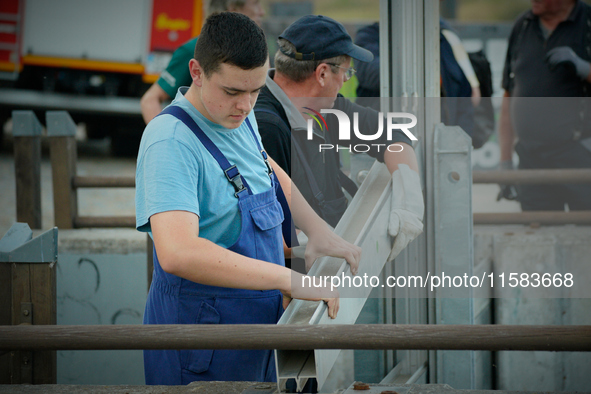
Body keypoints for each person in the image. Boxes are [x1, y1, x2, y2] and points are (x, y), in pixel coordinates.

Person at [135, 12, 361, 385]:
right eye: (232, 92)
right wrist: (288, 279)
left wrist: (317, 230)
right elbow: (178, 253)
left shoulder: (241, 116)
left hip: (255, 333)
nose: (245, 104)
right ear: (196, 71)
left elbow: (267, 167)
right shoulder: (170, 141)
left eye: (255, 90)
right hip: (202, 344)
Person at [254, 15, 424, 270]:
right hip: (292, 289)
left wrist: (408, 199)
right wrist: (317, 240)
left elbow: (393, 136)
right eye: (346, 71)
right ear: (322, 73)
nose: (346, 80)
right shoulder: (265, 127)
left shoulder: (324, 107)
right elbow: (259, 232)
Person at [498, 0, 591, 210]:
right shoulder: (523, 25)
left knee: (586, 236)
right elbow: (509, 95)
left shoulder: (587, 22)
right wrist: (505, 163)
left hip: (581, 155)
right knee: (537, 232)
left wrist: (584, 68)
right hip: (531, 158)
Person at [140, 0, 266, 123]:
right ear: (233, 8)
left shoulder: (257, 51)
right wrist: (165, 138)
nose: (262, 12)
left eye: (255, 90)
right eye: (255, 3)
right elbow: (150, 99)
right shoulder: (194, 49)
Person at [354, 20, 476, 138]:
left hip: (435, 139)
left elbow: (464, 94)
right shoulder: (371, 36)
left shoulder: (443, 38)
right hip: (380, 139)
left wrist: (459, 140)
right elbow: (371, 74)